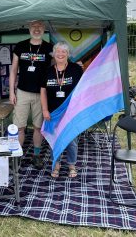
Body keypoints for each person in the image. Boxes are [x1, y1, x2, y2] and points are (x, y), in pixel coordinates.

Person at [9, 20, 53, 169]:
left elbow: (57, 67)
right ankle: (17, 156)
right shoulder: (20, 46)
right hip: (22, 92)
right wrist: (11, 92)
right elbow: (13, 70)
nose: (36, 29)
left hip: (41, 94)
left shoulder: (49, 48)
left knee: (38, 127)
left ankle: (36, 155)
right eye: (34, 26)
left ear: (44, 29)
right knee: (19, 127)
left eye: (40, 26)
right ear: (29, 28)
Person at [40, 41, 83, 178]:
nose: (60, 54)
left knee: (71, 139)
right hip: (53, 112)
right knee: (55, 139)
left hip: (71, 111)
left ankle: (71, 165)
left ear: (68, 54)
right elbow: (43, 92)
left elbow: (83, 87)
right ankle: (56, 164)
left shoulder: (76, 69)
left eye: (64, 51)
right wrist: (45, 110)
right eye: (58, 51)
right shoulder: (47, 71)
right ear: (54, 54)